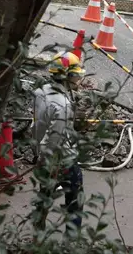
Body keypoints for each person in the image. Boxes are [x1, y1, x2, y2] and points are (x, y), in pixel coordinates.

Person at [31, 51, 86, 231]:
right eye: (76, 74)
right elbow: (57, 136)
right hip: (61, 159)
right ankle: (71, 239)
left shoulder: (41, 92)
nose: (78, 78)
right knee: (75, 198)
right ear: (67, 76)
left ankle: (37, 235)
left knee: (44, 195)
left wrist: (38, 153)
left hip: (43, 155)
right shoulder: (63, 104)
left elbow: (37, 126)